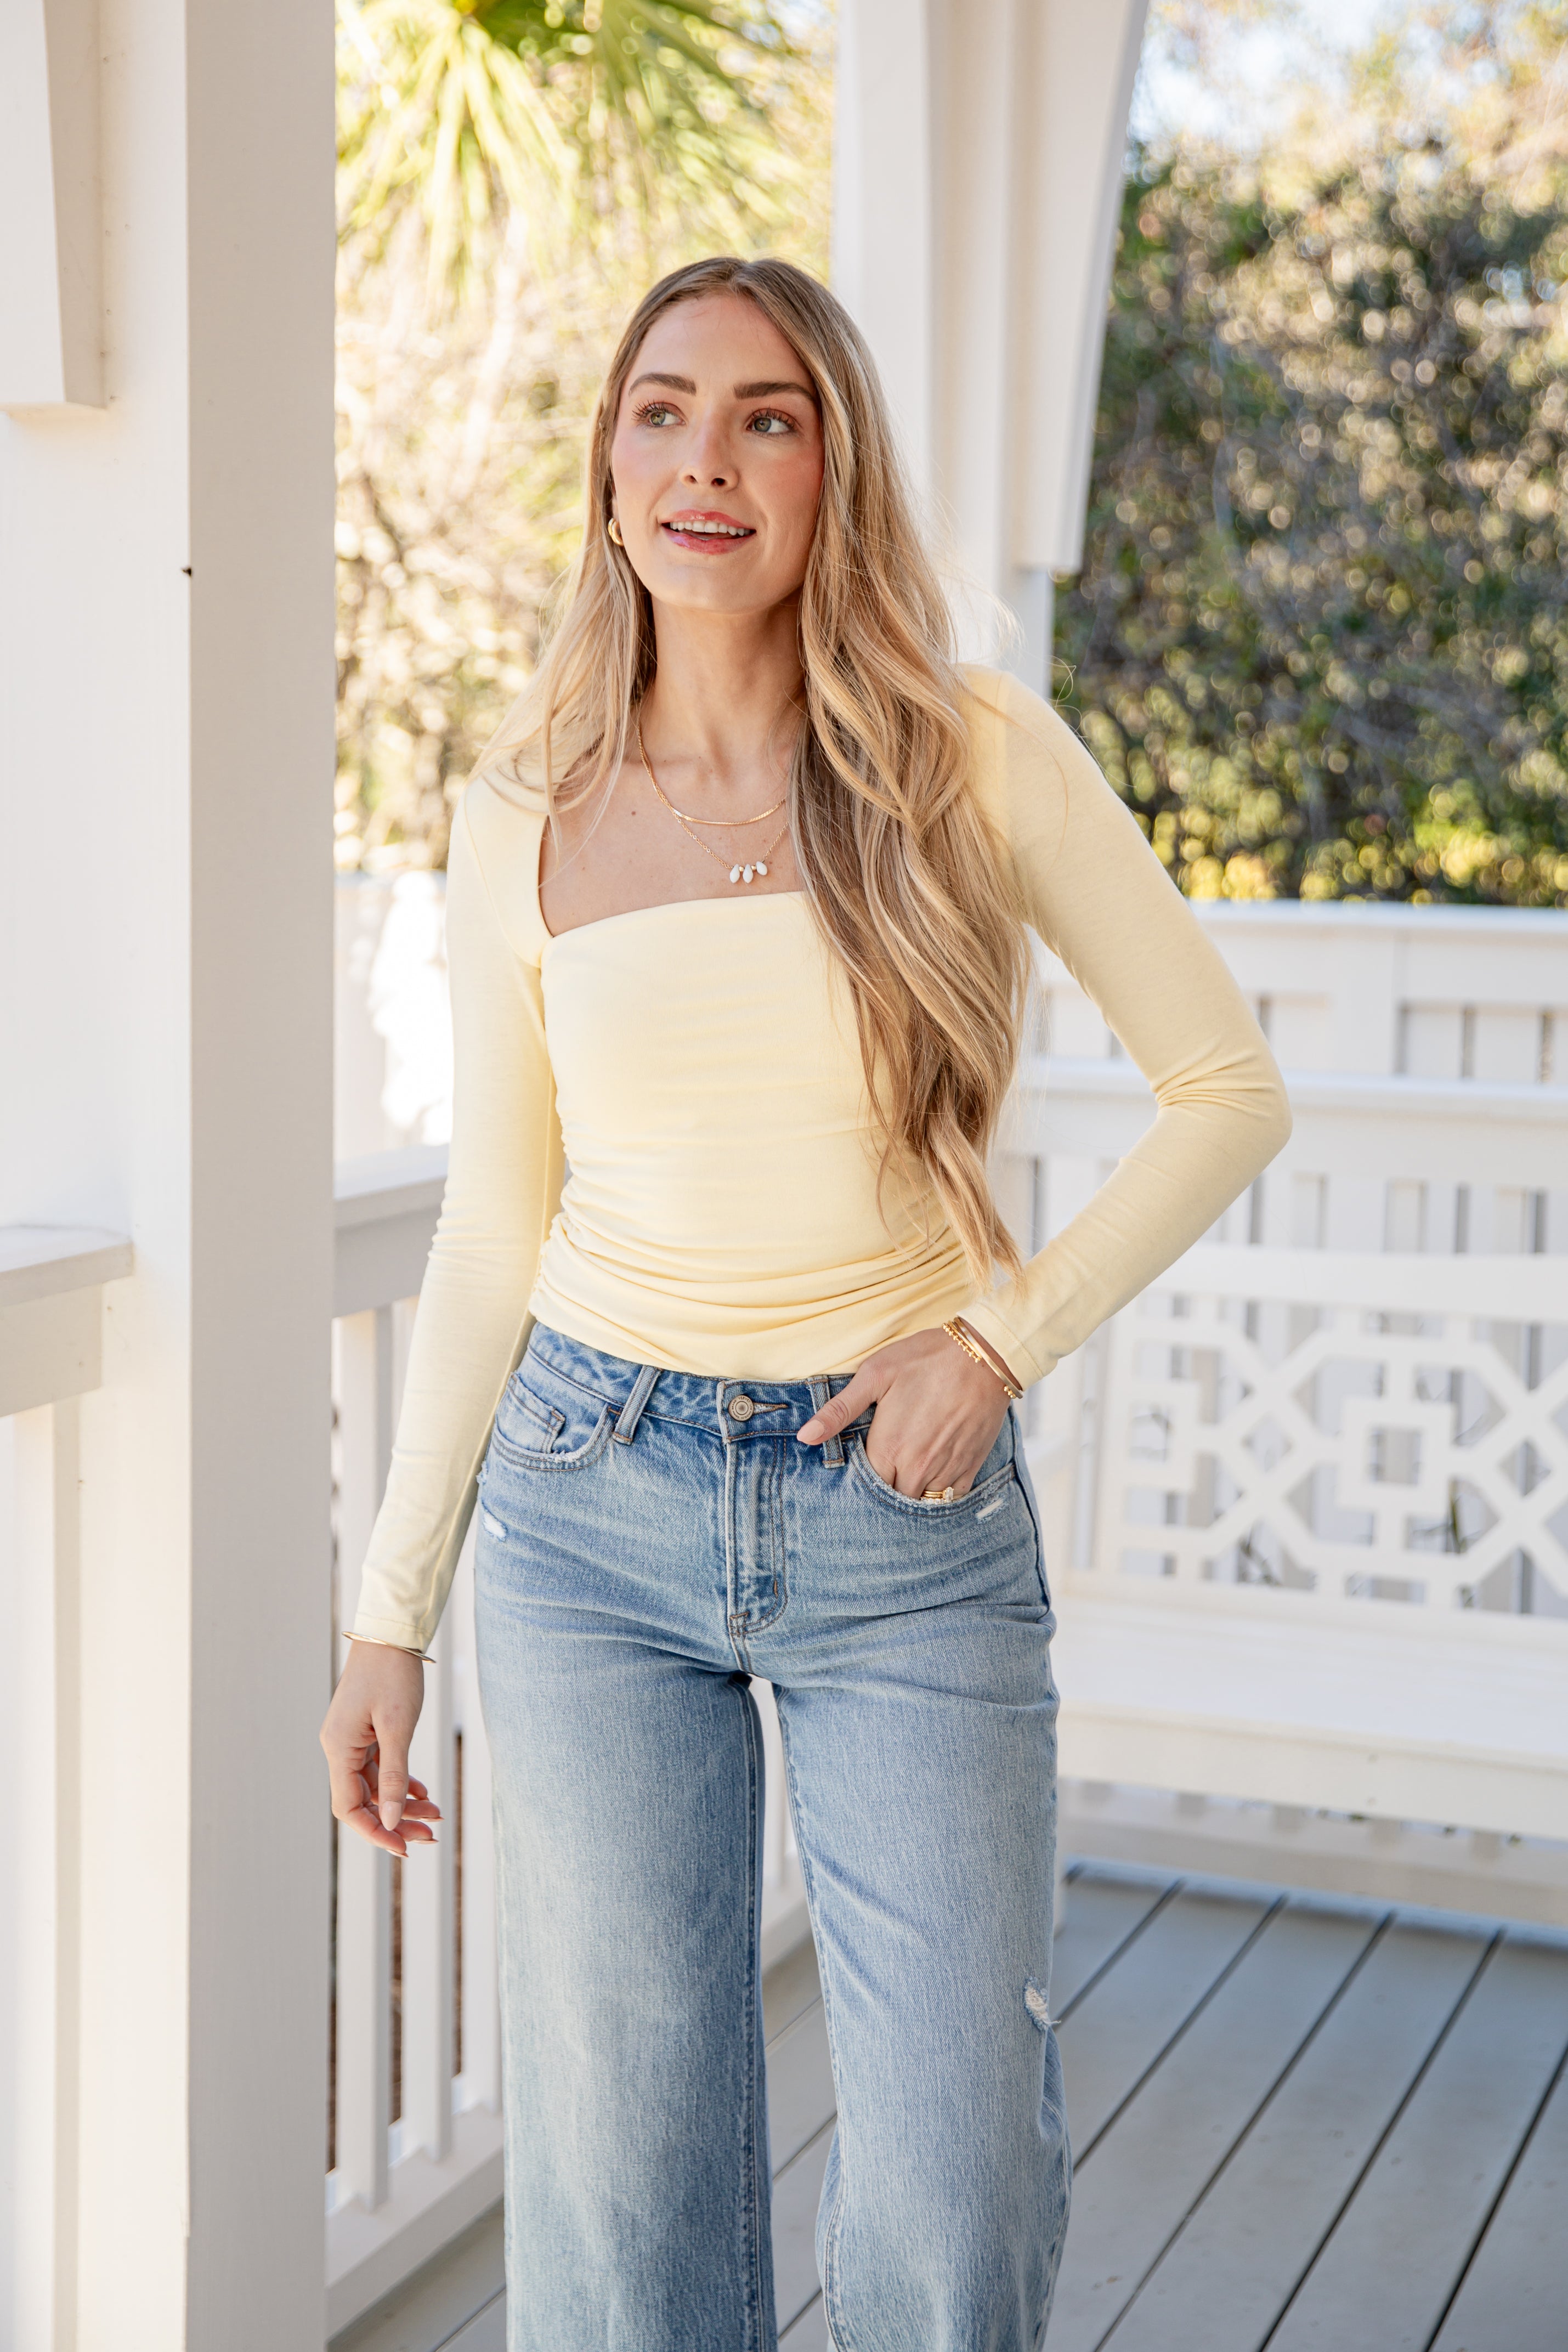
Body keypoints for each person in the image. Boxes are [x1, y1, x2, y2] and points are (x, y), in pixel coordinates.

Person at [320, 254, 1291, 2352]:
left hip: (901, 1520)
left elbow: (1226, 1091)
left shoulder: (968, 753)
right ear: (604, 464)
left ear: (830, 469)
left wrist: (996, 1341)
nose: (706, 459)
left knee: (954, 2190)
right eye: (662, 409)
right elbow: (495, 1228)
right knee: (620, 2195)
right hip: (589, 1507)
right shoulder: (524, 817)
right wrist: (388, 1610)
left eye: (767, 415)